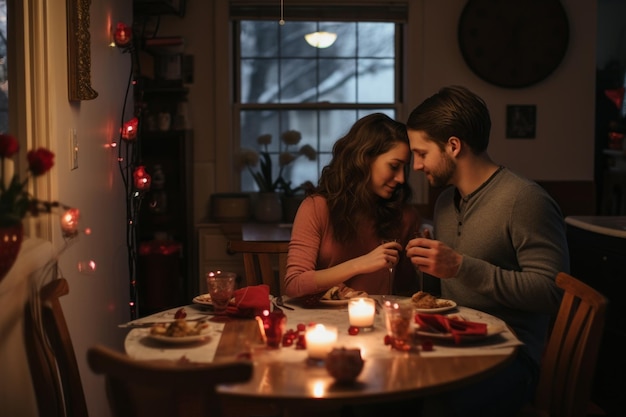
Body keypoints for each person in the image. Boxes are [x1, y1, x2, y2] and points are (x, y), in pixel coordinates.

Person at [405, 85, 569, 417]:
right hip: (454, 343)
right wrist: (425, 269)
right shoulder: (444, 204)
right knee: (382, 392)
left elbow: (551, 293)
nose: (416, 166)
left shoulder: (524, 200)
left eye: (421, 153)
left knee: (438, 407)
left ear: (453, 146)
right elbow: (443, 294)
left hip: (512, 356)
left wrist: (460, 266)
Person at [284, 112, 422, 299]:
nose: (401, 178)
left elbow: (407, 291)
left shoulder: (404, 216)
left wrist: (422, 260)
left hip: (380, 321)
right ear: (364, 159)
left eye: (404, 168)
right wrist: (360, 264)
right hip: (323, 323)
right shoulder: (316, 208)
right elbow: (294, 285)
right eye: (393, 166)